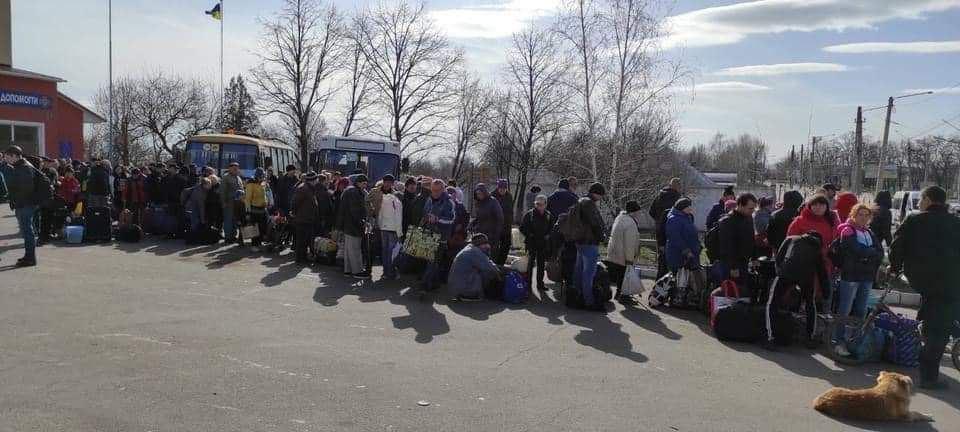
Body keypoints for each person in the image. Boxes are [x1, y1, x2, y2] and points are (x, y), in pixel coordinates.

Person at [889, 186, 960, 390]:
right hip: (951, 283)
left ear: (928, 199)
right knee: (940, 328)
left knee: (935, 328)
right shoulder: (956, 222)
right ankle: (930, 375)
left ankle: (929, 376)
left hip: (923, 281)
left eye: (921, 199)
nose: (919, 203)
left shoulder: (914, 220)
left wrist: (895, 268)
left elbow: (896, 246)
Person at [832, 203, 884, 357]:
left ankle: (855, 341)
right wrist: (870, 253)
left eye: (866, 215)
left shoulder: (869, 233)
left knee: (861, 311)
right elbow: (855, 249)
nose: (863, 218)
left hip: (867, 276)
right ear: (853, 215)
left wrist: (868, 254)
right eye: (860, 214)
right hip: (850, 276)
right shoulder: (847, 230)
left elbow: (880, 252)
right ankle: (838, 341)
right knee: (845, 309)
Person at [765, 231, 829, 350]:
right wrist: (826, 292)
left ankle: (771, 337)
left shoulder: (791, 239)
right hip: (806, 278)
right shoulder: (816, 249)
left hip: (786, 273)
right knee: (810, 304)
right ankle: (810, 337)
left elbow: (779, 258)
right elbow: (822, 273)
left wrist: (780, 273)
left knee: (772, 303)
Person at [1, 146, 44, 266]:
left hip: (25, 204)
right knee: (26, 231)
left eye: (7, 157)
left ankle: (30, 258)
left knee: (27, 231)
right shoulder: (20, 166)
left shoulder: (24, 167)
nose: (5, 159)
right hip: (23, 203)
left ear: (14, 156)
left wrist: (13, 194)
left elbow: (26, 189)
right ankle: (28, 256)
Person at [786, 194, 839, 289]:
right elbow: (790, 241)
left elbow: (836, 240)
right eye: (815, 204)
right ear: (810, 206)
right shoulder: (799, 221)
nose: (818, 207)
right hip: (804, 264)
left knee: (824, 292)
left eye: (822, 205)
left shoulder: (831, 221)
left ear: (826, 207)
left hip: (825, 264)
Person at [571, 182, 607, 311]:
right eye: (600, 195)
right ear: (596, 193)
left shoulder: (581, 201)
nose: (601, 198)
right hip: (589, 242)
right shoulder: (589, 204)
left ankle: (577, 296)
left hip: (580, 241)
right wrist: (602, 237)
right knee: (588, 274)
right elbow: (595, 223)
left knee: (579, 270)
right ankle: (589, 301)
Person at [421, 179, 456, 291]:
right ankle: (435, 283)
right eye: (433, 190)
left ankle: (426, 285)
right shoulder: (429, 199)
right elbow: (424, 213)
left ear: (443, 189)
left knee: (433, 260)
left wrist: (437, 219)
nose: (435, 193)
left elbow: (451, 220)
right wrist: (426, 219)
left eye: (437, 190)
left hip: (441, 236)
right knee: (431, 260)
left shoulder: (449, 202)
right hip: (429, 233)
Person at [715, 193, 758, 285]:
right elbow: (727, 246)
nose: (753, 211)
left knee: (743, 289)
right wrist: (733, 267)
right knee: (731, 290)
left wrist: (754, 257)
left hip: (744, 262)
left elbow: (751, 238)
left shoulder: (748, 218)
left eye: (754, 208)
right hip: (731, 265)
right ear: (740, 205)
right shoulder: (728, 221)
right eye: (750, 208)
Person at [606, 200, 644, 303]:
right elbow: (629, 243)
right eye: (638, 211)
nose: (639, 214)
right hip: (624, 255)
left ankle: (619, 294)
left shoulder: (620, 218)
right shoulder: (630, 223)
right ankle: (624, 296)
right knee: (625, 277)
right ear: (634, 211)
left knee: (620, 275)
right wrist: (629, 259)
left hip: (616, 253)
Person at [448, 233, 503, 302]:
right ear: (480, 243)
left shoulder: (469, 248)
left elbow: (487, 262)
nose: (487, 245)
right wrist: (500, 275)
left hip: (455, 287)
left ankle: (467, 293)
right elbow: (490, 268)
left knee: (482, 269)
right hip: (463, 288)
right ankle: (471, 294)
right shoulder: (475, 252)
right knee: (487, 273)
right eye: (485, 243)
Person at [519, 195, 554, 293]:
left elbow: (552, 228)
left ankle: (540, 284)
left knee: (541, 265)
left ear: (545, 204)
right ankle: (528, 285)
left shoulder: (549, 215)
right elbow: (522, 228)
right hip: (531, 243)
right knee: (530, 265)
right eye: (537, 204)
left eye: (541, 204)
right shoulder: (529, 214)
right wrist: (529, 234)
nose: (539, 206)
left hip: (543, 244)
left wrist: (548, 235)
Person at [649, 178, 682, 278]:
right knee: (673, 260)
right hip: (672, 232)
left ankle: (659, 281)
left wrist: (659, 221)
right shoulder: (677, 199)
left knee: (662, 259)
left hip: (659, 231)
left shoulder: (660, 196)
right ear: (677, 187)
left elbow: (651, 211)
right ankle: (669, 282)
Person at [337, 174, 369, 278]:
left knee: (348, 250)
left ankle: (348, 270)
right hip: (353, 225)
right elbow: (355, 210)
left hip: (347, 224)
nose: (365, 186)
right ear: (358, 183)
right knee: (355, 249)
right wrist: (361, 221)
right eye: (364, 183)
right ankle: (357, 271)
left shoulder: (350, 190)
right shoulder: (355, 193)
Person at [290, 172, 322, 264]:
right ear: (313, 180)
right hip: (303, 218)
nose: (317, 181)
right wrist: (294, 213)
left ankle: (303, 257)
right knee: (301, 240)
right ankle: (299, 259)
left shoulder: (309, 188)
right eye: (316, 179)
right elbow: (295, 202)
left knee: (306, 239)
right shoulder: (303, 188)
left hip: (308, 218)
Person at [376, 175, 403, 280]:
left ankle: (385, 272)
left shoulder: (382, 197)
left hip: (384, 227)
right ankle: (390, 272)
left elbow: (380, 214)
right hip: (393, 229)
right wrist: (399, 232)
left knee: (385, 251)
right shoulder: (396, 199)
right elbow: (398, 216)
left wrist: (380, 225)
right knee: (392, 252)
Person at [665, 197, 701, 274]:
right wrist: (686, 251)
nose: (690, 208)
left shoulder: (687, 217)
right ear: (682, 207)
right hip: (679, 255)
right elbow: (675, 237)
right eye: (688, 206)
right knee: (680, 278)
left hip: (691, 255)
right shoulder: (674, 219)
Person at [468, 183, 504, 256]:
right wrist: (472, 224)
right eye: (477, 194)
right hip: (480, 234)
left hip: (491, 235)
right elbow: (479, 217)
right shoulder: (478, 203)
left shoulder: (493, 202)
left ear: (484, 193)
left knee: (489, 256)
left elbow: (500, 218)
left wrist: (497, 234)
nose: (479, 195)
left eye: (480, 193)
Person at [243, 168, 271, 251]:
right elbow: (248, 199)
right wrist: (248, 212)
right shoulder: (251, 184)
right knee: (254, 228)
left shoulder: (263, 183)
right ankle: (254, 245)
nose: (262, 178)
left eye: (263, 176)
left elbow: (265, 194)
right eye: (261, 177)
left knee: (263, 227)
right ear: (257, 176)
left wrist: (267, 202)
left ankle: (259, 242)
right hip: (254, 209)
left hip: (263, 209)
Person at [220, 162, 245, 244]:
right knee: (228, 220)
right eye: (234, 168)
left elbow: (242, 189)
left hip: (237, 203)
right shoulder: (226, 177)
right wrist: (223, 202)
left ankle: (233, 236)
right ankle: (228, 237)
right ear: (229, 168)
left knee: (235, 220)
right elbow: (222, 191)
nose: (236, 170)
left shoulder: (238, 178)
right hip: (229, 202)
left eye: (237, 168)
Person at [491, 179, 514, 265]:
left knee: (506, 247)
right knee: (495, 247)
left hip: (506, 226)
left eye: (504, 188)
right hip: (495, 227)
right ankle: (494, 264)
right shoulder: (492, 196)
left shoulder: (509, 196)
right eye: (501, 188)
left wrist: (510, 223)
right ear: (498, 188)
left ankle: (501, 264)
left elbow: (510, 211)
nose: (502, 190)